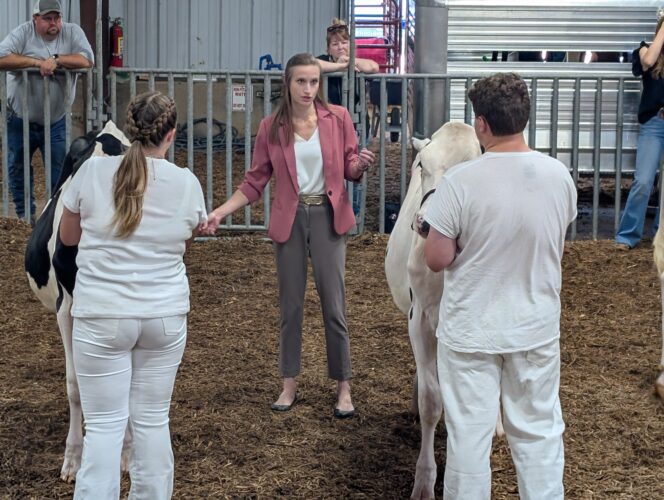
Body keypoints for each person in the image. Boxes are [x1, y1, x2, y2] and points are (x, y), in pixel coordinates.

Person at [422, 73, 577, 499]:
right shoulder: (558, 175)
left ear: (482, 124)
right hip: (535, 326)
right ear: (524, 117)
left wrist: (437, 234)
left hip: (472, 329)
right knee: (539, 431)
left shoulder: (460, 181)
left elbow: (437, 258)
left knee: (469, 437)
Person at [200, 53, 374, 418]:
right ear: (288, 83)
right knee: (290, 306)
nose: (308, 89)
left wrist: (359, 165)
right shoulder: (271, 127)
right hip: (290, 219)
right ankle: (289, 383)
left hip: (328, 217)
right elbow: (254, 182)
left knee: (334, 305)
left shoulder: (338, 118)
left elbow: (349, 166)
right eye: (301, 81)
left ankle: (344, 386)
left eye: (314, 82)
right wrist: (220, 212)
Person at [59, 91, 207, 499]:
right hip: (163, 315)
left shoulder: (92, 172)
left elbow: (68, 238)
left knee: (104, 427)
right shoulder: (187, 183)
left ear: (129, 131)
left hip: (102, 314)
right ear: (171, 134)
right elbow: (185, 241)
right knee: (152, 421)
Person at [0, 0, 94, 223]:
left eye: (57, 18)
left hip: (56, 120)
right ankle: (25, 216)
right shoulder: (23, 33)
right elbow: (2, 56)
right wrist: (36, 63)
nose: (54, 23)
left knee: (60, 170)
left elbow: (87, 59)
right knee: (17, 167)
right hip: (19, 118)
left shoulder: (72, 32)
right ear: (35, 19)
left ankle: (54, 217)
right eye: (47, 18)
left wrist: (56, 60)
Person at [615, 15, 664, 250]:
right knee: (643, 181)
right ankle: (627, 236)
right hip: (654, 123)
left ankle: (660, 235)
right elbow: (649, 61)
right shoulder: (644, 49)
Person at [316, 18, 379, 106]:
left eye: (344, 42)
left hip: (354, 113)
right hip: (329, 111)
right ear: (328, 49)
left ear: (351, 45)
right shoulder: (323, 60)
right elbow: (309, 64)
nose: (340, 47)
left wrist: (349, 61)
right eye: (335, 44)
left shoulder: (357, 63)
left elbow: (374, 67)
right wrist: (339, 66)